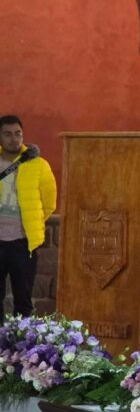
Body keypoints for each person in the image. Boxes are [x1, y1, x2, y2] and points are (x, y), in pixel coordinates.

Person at [0, 116, 56, 317]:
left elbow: (49, 202)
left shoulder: (38, 165)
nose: (14, 139)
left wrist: (32, 223)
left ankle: (21, 337)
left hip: (23, 243)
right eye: (7, 134)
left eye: (18, 134)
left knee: (23, 301)